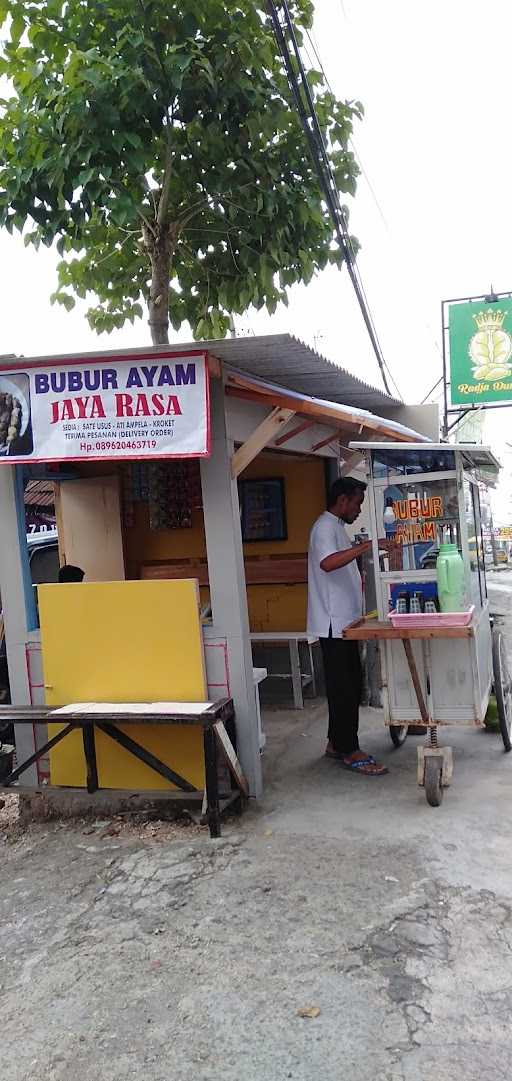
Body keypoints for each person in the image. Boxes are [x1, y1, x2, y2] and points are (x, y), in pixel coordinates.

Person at [307, 476, 391, 777]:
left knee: (348, 685)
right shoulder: (324, 528)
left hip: (344, 622)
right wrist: (366, 546)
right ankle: (349, 749)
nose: (358, 510)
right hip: (332, 622)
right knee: (345, 689)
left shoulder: (337, 528)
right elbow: (328, 564)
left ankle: (334, 742)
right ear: (342, 500)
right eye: (356, 503)